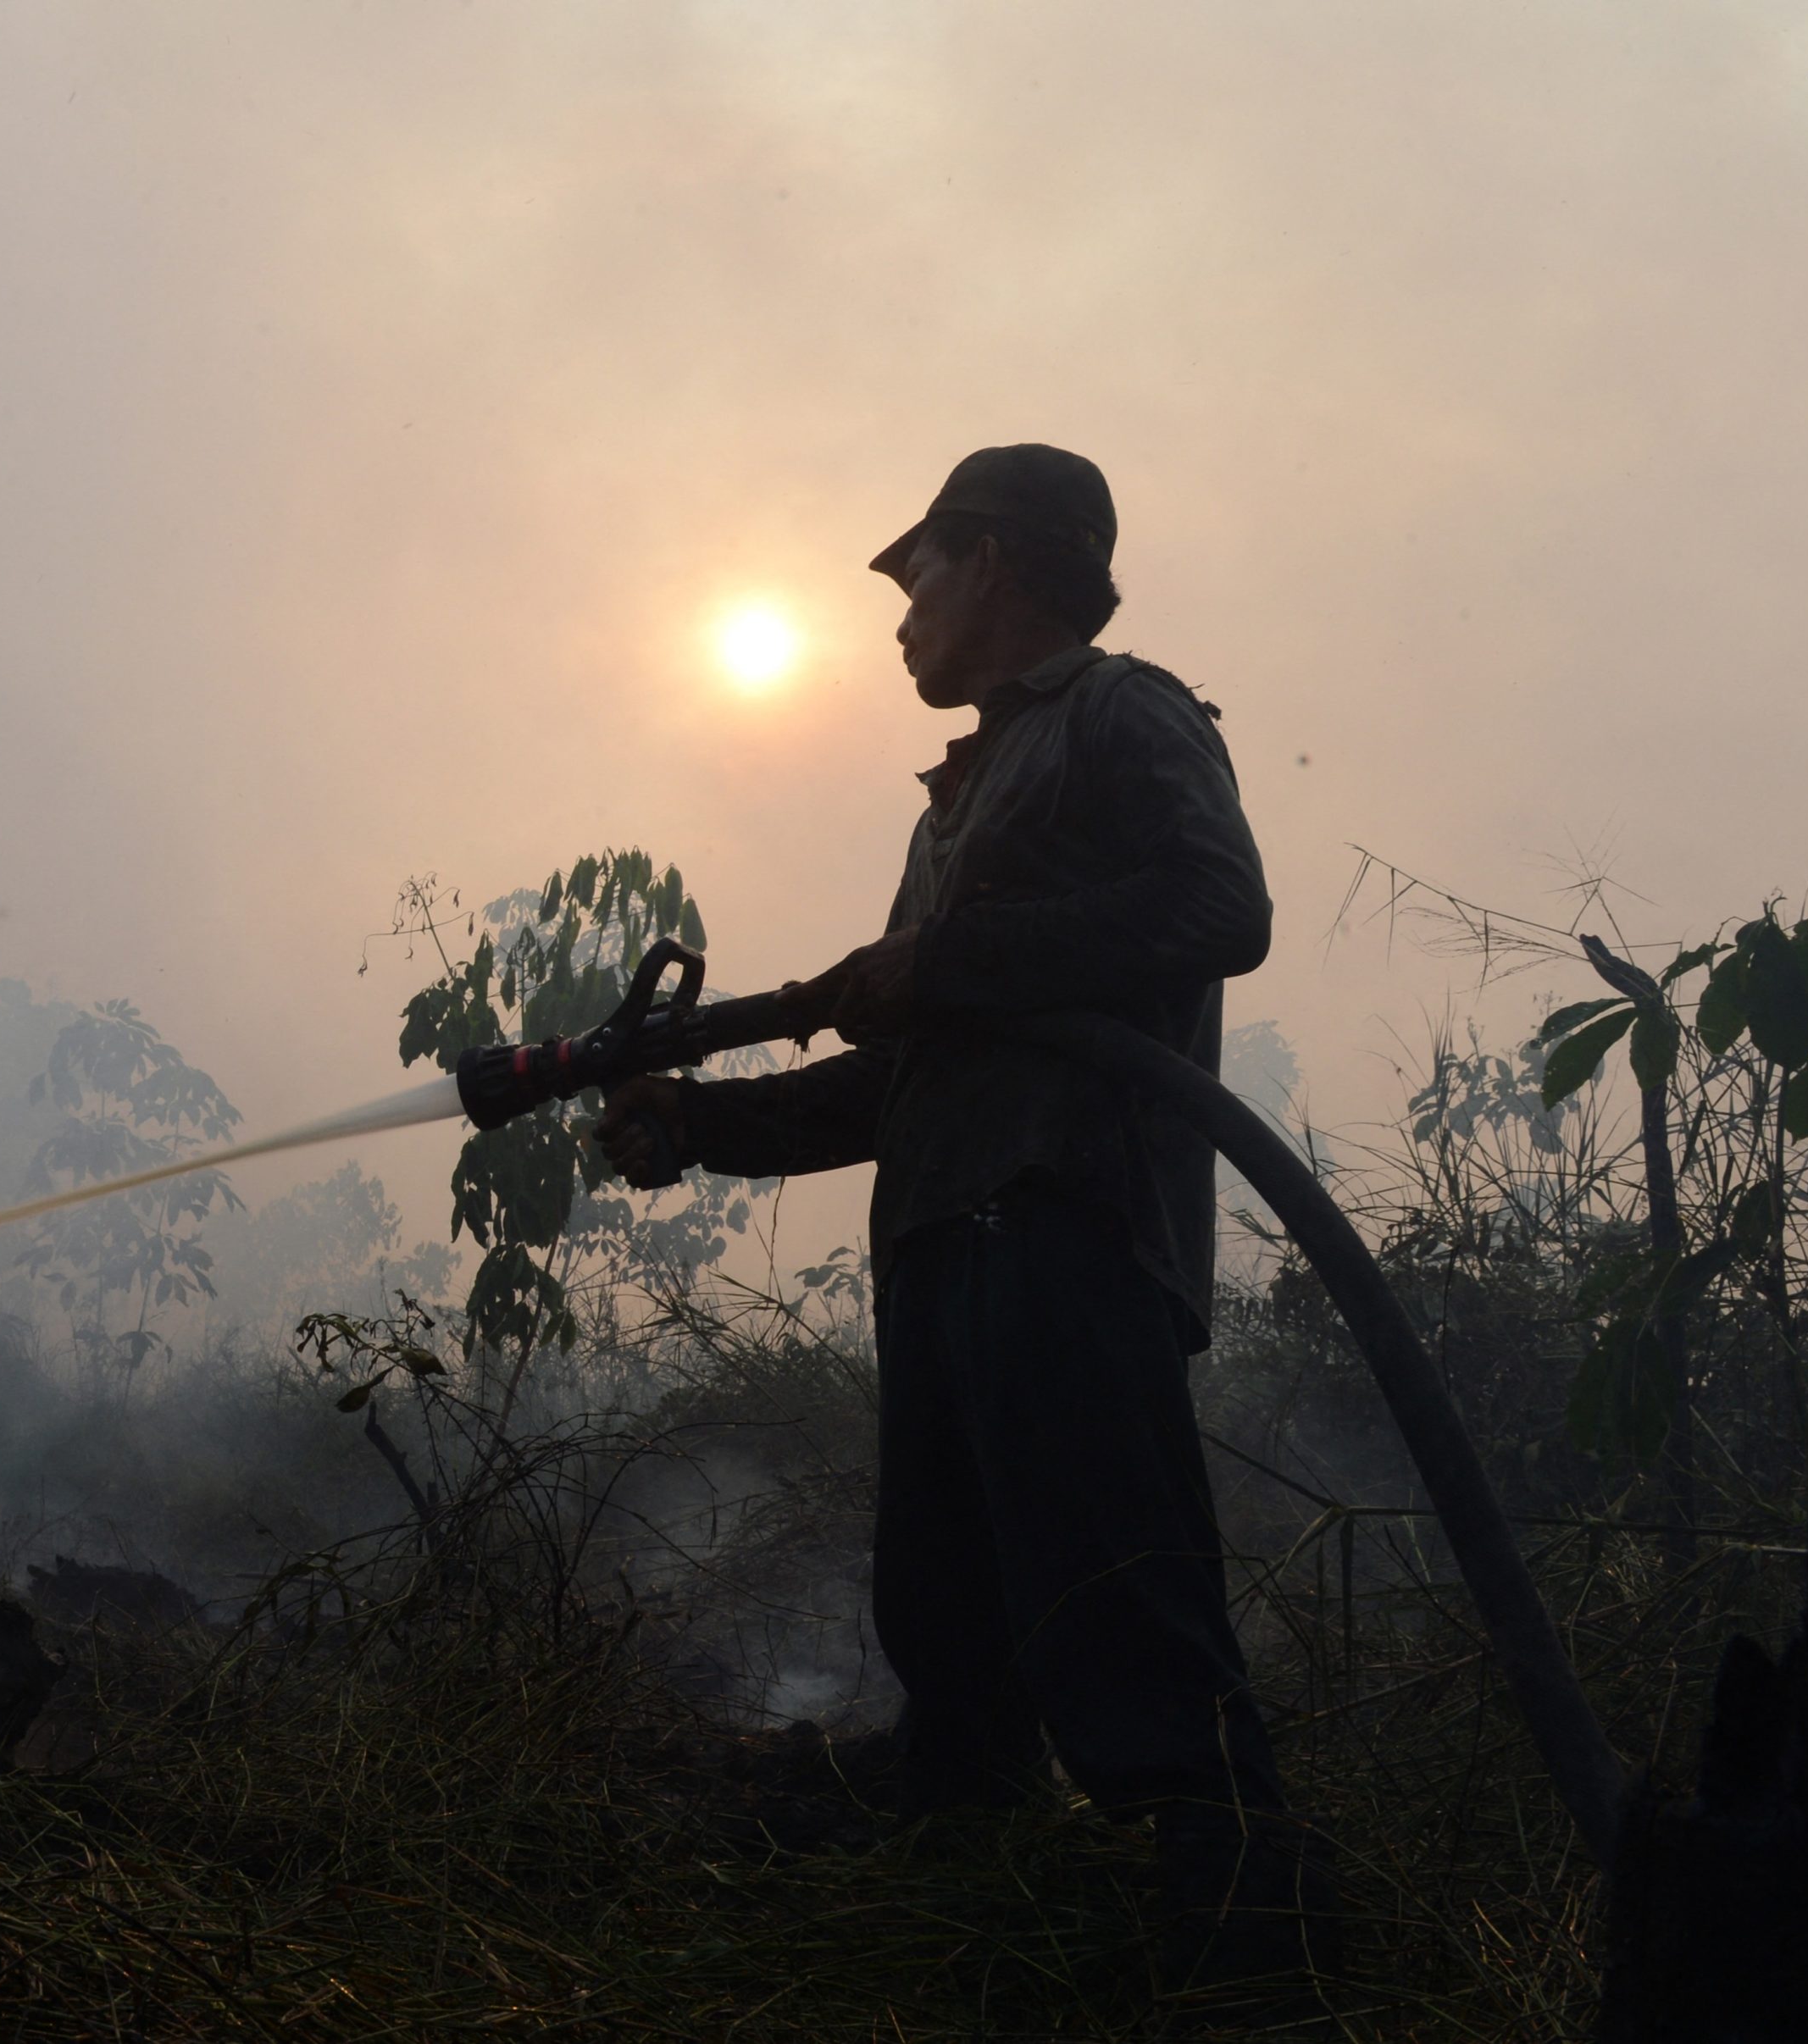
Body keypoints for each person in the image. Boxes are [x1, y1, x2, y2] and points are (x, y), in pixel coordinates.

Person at [595, 444, 1331, 1986]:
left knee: (1120, 1606)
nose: (899, 612)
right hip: (944, 1245)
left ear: (993, 557)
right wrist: (701, 1121)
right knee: (951, 1629)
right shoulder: (965, 795)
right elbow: (908, 1084)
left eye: (916, 570)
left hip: (1066, 1234)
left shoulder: (1126, 715)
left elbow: (1223, 912)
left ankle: (1260, 1944)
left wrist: (948, 965)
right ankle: (965, 1915)